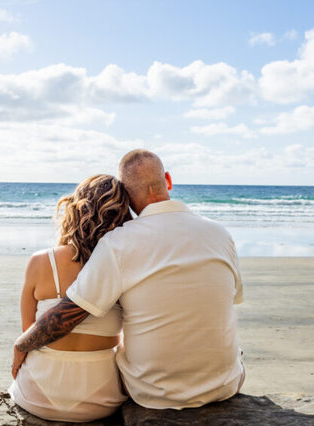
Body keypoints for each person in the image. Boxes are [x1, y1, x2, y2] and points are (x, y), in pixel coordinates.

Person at [13, 149, 245, 410]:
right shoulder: (220, 234)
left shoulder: (119, 242)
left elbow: (69, 313)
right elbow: (230, 298)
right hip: (225, 386)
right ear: (167, 180)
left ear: (126, 195)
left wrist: (22, 344)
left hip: (153, 393)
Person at [8, 174, 131, 422]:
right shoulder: (126, 264)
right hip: (101, 400)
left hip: (37, 396)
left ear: (75, 209)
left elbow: (30, 333)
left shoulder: (41, 262)